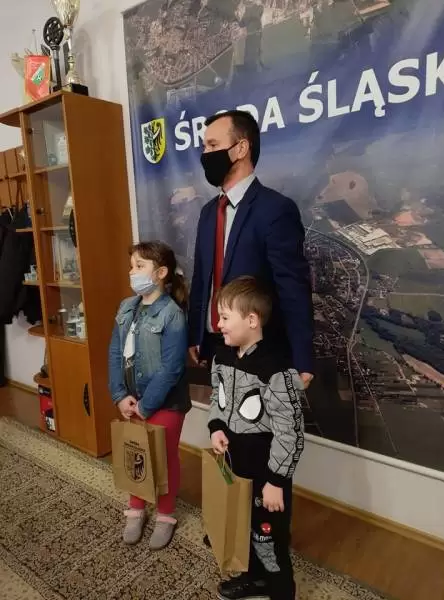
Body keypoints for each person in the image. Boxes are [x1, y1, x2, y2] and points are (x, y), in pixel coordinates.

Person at [188, 109, 314, 388]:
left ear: (241, 148)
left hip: (262, 353)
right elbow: (201, 279)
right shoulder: (208, 213)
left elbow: (292, 286)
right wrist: (196, 334)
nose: (205, 154)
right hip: (215, 348)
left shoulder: (275, 209)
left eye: (213, 145)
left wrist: (302, 358)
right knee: (222, 415)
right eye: (204, 146)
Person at [209, 276, 304, 600]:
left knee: (268, 536)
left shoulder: (275, 369)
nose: (218, 324)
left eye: (225, 317)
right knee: (244, 526)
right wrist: (216, 427)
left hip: (267, 475)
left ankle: (279, 590)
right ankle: (253, 578)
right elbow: (217, 398)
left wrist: (276, 480)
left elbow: (290, 429)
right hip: (237, 467)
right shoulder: (222, 357)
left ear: (252, 320)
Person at [109, 241, 191, 549]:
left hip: (164, 402)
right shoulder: (125, 307)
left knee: (164, 457)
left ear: (161, 272)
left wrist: (146, 406)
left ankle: (166, 515)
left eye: (140, 266)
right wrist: (119, 395)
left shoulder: (172, 315)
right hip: (132, 399)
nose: (132, 272)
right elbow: (115, 352)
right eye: (131, 266)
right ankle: (136, 508)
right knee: (136, 452)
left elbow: (171, 368)